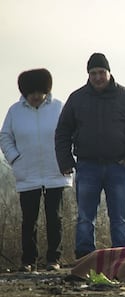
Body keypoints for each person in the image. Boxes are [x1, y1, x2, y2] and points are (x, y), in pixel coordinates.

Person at [55, 53, 125, 259]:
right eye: (93, 73)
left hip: (119, 167)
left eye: (101, 72)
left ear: (109, 73)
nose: (97, 77)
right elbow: (62, 131)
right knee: (84, 218)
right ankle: (84, 258)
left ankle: (121, 259)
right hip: (87, 166)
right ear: (88, 75)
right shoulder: (77, 99)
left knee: (119, 218)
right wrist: (65, 161)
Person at [0, 69, 72, 272]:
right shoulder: (15, 111)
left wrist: (66, 158)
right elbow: (5, 136)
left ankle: (53, 259)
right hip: (27, 173)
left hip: (55, 171)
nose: (34, 97)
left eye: (38, 92)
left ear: (46, 91)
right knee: (29, 219)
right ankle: (28, 260)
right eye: (30, 93)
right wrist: (15, 158)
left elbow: (70, 133)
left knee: (54, 217)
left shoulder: (59, 108)